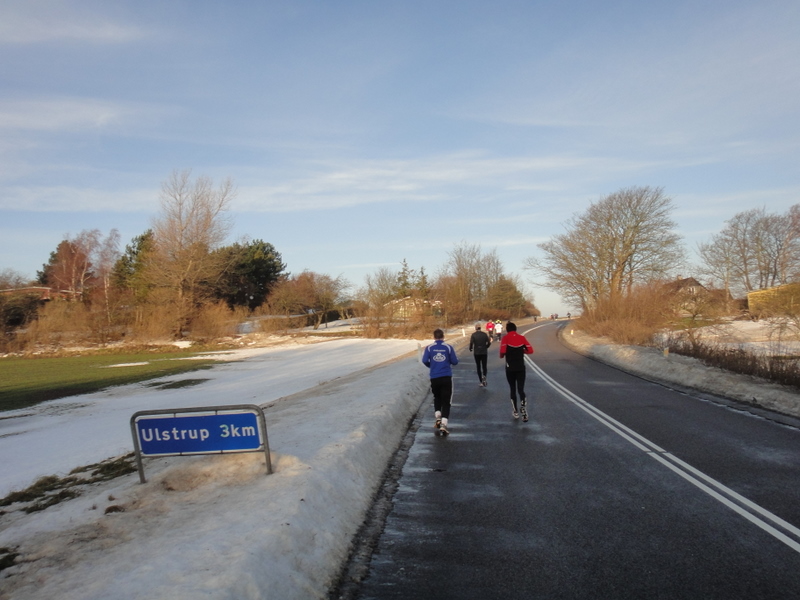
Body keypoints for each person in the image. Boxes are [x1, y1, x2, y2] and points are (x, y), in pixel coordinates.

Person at [421, 328, 459, 435]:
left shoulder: (429, 348)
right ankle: (444, 424)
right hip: (446, 376)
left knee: (437, 397)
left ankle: (438, 416)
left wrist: (432, 366)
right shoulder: (448, 347)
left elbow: (424, 360)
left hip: (434, 376)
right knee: (446, 401)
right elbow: (455, 361)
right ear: (443, 337)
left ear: (434, 337)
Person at [499, 322, 534, 422]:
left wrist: (503, 356)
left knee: (512, 389)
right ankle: (523, 406)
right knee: (521, 389)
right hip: (520, 367)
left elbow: (502, 352)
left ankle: (515, 411)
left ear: (507, 329)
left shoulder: (505, 338)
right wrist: (521, 351)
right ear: (516, 329)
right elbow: (531, 350)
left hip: (510, 367)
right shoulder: (522, 338)